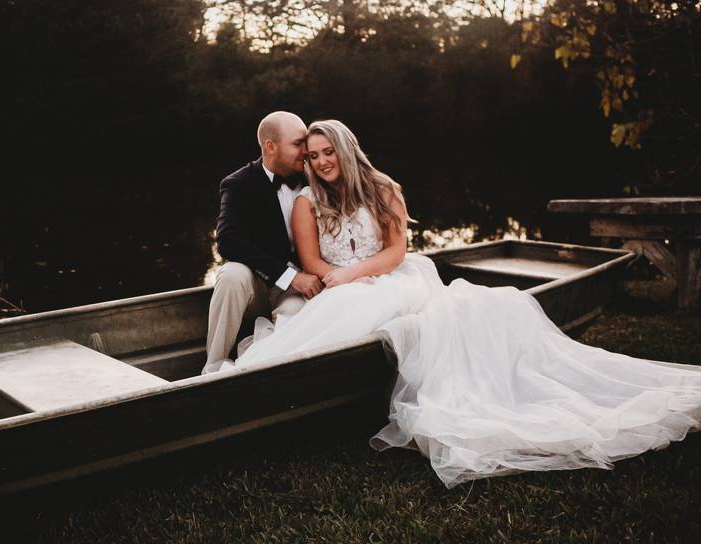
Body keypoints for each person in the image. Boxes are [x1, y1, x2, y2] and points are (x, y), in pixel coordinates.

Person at [233, 119, 701, 488]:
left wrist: (359, 272)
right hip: (339, 284)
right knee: (345, 309)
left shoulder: (383, 189)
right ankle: (269, 376)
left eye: (327, 151)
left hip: (392, 276)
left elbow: (397, 251)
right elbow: (312, 260)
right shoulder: (306, 202)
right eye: (312, 156)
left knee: (427, 310)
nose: (320, 161)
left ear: (345, 148)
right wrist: (342, 281)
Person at [203, 111, 325, 374]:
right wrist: (289, 276)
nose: (306, 151)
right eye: (297, 144)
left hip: (300, 289)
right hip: (259, 285)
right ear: (271, 146)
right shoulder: (238, 184)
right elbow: (228, 241)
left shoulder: (315, 176)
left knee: (293, 319)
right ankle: (213, 366)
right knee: (231, 273)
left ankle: (266, 374)